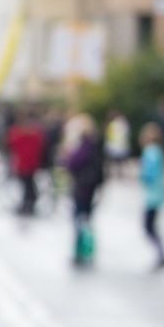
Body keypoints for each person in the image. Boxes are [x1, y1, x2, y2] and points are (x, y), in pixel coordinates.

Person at [61, 113, 104, 267]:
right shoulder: (96, 144)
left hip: (82, 187)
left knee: (79, 220)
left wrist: (68, 154)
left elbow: (72, 164)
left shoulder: (84, 146)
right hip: (90, 187)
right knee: (86, 220)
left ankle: (81, 252)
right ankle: (88, 251)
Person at [139, 122, 164, 269]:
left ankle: (161, 254)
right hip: (158, 194)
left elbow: (148, 174)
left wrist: (142, 176)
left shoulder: (150, 152)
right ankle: (161, 254)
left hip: (152, 195)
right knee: (152, 226)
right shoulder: (158, 150)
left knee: (148, 226)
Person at [7, 111, 45, 216]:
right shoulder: (35, 134)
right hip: (30, 163)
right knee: (28, 184)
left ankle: (28, 203)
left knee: (27, 185)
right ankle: (29, 203)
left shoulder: (19, 134)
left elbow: (11, 143)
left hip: (25, 164)